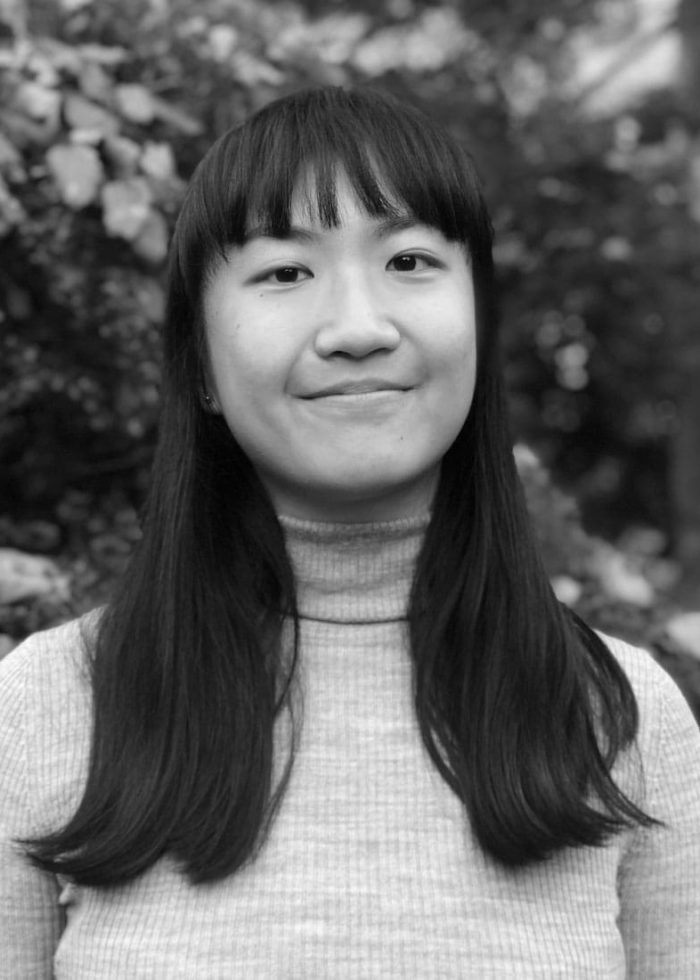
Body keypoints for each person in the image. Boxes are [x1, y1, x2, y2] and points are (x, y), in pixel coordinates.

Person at [1, 85, 699, 979]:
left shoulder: (620, 719)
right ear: (202, 367)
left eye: (409, 260)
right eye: (286, 272)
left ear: (479, 326)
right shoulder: (47, 708)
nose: (359, 329)